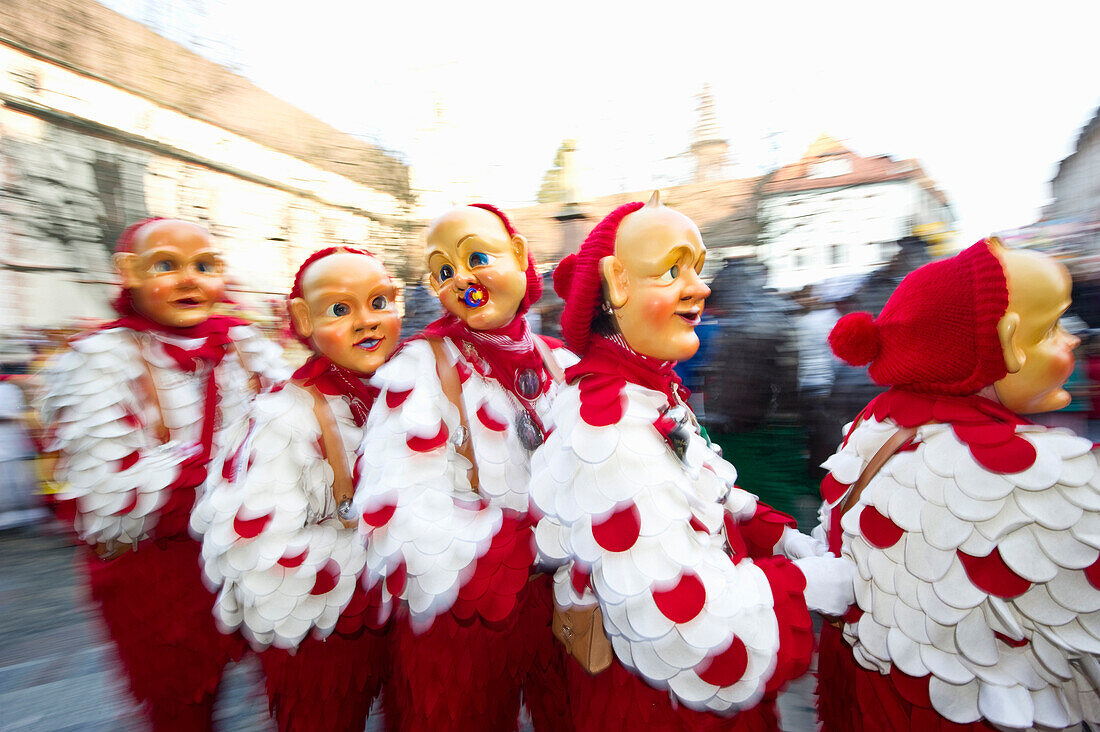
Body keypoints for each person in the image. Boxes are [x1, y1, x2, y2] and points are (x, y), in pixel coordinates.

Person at [531, 193, 856, 731]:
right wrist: (805, 585)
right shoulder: (607, 419)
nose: (701, 288)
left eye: (697, 269)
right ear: (618, 284)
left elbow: (699, 487)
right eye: (673, 269)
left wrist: (778, 536)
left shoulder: (649, 390)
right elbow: (690, 631)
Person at [817, 237, 1100, 731]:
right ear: (1007, 345)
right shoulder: (1039, 471)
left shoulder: (875, 425)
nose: (1073, 339)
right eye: (1052, 326)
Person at [40, 218, 288, 731]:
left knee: (292, 692)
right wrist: (231, 471)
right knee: (179, 706)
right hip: (158, 582)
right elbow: (106, 501)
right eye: (166, 266)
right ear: (127, 273)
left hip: (258, 563)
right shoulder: (99, 360)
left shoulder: (246, 345)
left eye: (203, 266)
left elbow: (294, 441)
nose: (188, 280)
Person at [353, 203, 573, 731]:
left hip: (561, 612)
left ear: (519, 255)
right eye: (446, 272)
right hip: (467, 623)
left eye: (477, 257)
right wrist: (524, 545)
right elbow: (397, 511)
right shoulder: (420, 367)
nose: (464, 280)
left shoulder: (558, 362)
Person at [194, 247, 397, 731]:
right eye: (340, 310)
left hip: (401, 631)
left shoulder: (410, 390)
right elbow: (260, 549)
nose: (365, 322)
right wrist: (386, 559)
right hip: (324, 641)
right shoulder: (284, 415)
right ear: (304, 321)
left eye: (379, 303)